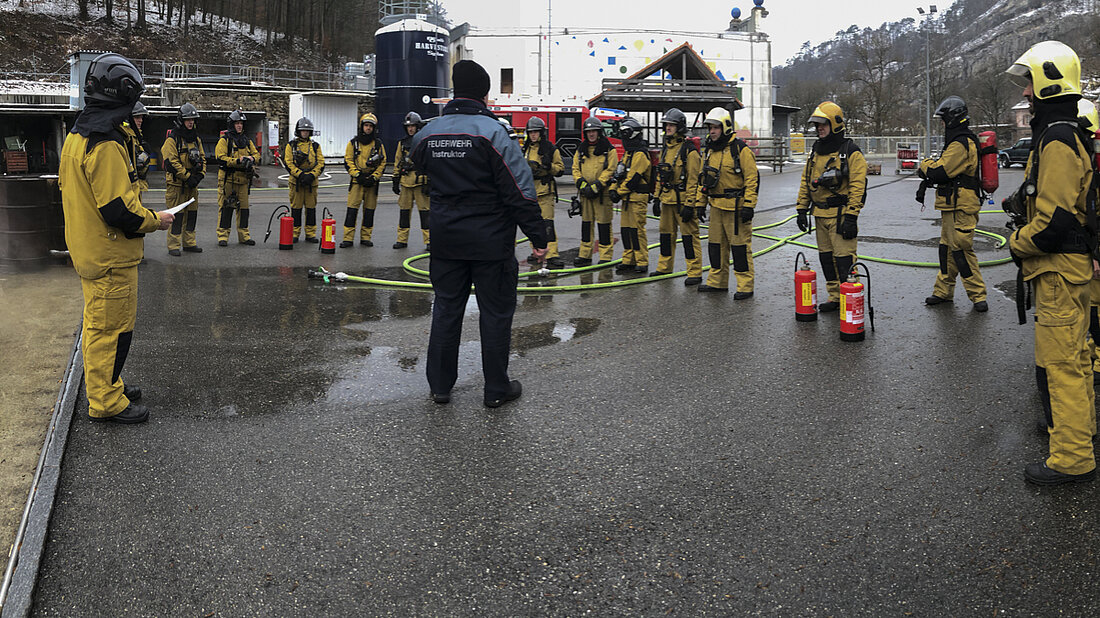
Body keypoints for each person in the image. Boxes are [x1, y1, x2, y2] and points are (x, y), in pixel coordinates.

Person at [410, 59, 548, 408]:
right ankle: (496, 389)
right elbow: (520, 190)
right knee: (496, 313)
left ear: (455, 91)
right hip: (490, 243)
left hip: (445, 240)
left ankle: (440, 387)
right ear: (485, 93)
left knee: (446, 310)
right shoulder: (495, 134)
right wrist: (538, 236)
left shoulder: (429, 132)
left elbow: (416, 160)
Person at [59, 53, 174, 424]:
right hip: (109, 254)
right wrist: (157, 220)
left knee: (101, 325)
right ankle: (105, 401)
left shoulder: (80, 133)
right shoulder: (105, 143)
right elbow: (118, 212)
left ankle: (108, 384)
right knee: (111, 329)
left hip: (91, 247)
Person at [1006, 40, 1097, 485]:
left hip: (1058, 271)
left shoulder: (1058, 138)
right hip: (1070, 269)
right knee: (1077, 361)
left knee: (1061, 367)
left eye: (1029, 82)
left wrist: (1017, 243)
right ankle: (1082, 435)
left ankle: (1072, 458)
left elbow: (1054, 224)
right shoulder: (1066, 133)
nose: (1025, 93)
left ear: (1047, 81)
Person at [794, 101, 867, 311]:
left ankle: (849, 298)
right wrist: (801, 209)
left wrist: (852, 217)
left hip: (841, 215)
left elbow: (857, 186)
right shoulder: (815, 152)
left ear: (835, 124)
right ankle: (835, 297)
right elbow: (806, 181)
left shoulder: (851, 152)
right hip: (820, 214)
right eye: (817, 125)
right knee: (826, 259)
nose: (819, 129)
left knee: (844, 260)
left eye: (823, 124)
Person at [919, 96, 988, 312]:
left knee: (961, 250)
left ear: (952, 118)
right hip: (952, 205)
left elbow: (940, 171)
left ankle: (978, 295)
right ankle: (943, 291)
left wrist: (924, 165)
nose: (941, 124)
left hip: (962, 206)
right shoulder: (956, 141)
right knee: (946, 250)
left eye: (943, 119)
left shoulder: (961, 143)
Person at [697, 107, 758, 298]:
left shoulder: (740, 150)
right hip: (716, 207)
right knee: (715, 247)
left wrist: (749, 205)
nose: (712, 131)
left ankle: (745, 286)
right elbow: (703, 179)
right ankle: (717, 282)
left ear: (725, 127)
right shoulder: (709, 152)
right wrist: (700, 203)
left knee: (739, 249)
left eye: (716, 127)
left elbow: (752, 179)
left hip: (736, 208)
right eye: (710, 128)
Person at [651, 108, 703, 285]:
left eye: (671, 125)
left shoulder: (689, 151)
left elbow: (694, 181)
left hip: (682, 201)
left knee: (689, 237)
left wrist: (690, 204)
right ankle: (664, 267)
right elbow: (660, 174)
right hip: (667, 200)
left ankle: (694, 272)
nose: (668, 128)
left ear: (679, 127)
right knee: (666, 236)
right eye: (666, 125)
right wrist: (657, 198)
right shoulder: (666, 149)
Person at [571, 115, 618, 266]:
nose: (591, 134)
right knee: (586, 226)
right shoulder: (581, 150)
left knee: (604, 226)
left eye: (594, 131)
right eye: (588, 131)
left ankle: (605, 256)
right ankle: (585, 255)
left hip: (602, 195)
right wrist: (583, 185)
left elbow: (611, 169)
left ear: (599, 132)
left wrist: (597, 185)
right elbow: (575, 168)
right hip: (586, 195)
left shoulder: (609, 150)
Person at [608, 116, 652, 274]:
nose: (624, 138)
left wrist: (618, 193)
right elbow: (619, 173)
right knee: (626, 230)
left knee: (637, 230)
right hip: (627, 198)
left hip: (637, 198)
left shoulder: (640, 155)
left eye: (626, 133)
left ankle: (641, 261)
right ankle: (628, 260)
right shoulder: (628, 154)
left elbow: (633, 178)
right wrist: (613, 188)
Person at [161, 102, 205, 256]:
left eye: (193, 119)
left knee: (192, 215)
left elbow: (203, 159)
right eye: (188, 119)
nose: (191, 122)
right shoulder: (172, 140)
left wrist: (199, 176)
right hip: (177, 185)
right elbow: (172, 163)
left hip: (192, 186)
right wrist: (187, 177)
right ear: (181, 120)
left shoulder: (196, 139)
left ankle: (189, 243)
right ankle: (173, 245)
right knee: (176, 216)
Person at [522, 116, 565, 269]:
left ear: (541, 132)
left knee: (547, 225)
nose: (533, 135)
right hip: (530, 192)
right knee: (533, 225)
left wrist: (547, 167)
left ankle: (552, 255)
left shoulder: (550, 148)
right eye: (531, 132)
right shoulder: (525, 149)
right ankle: (536, 252)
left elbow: (560, 169)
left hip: (545, 192)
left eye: (536, 132)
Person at [214, 110, 260, 246]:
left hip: (244, 181)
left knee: (244, 209)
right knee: (226, 208)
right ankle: (223, 236)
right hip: (228, 180)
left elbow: (257, 155)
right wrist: (238, 161)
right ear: (231, 124)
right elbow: (221, 158)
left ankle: (244, 236)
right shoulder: (224, 141)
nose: (239, 126)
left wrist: (251, 158)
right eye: (237, 123)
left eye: (241, 123)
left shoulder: (247, 141)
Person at [342, 113, 387, 247]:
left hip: (371, 184)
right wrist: (357, 175)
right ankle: (348, 238)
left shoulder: (378, 144)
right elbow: (348, 161)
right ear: (361, 127)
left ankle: (365, 237)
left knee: (369, 211)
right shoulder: (353, 143)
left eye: (370, 126)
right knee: (352, 210)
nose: (368, 128)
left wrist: (374, 177)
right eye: (366, 125)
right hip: (357, 183)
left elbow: (383, 163)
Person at [392, 111, 430, 250]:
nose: (410, 129)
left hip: (421, 182)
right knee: (404, 212)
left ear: (418, 126)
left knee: (425, 214)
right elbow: (398, 162)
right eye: (408, 126)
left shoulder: (424, 142)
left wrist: (429, 181)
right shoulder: (402, 144)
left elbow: (430, 162)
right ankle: (402, 240)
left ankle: (429, 240)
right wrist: (395, 179)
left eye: (413, 126)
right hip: (406, 182)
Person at [284, 117, 324, 242]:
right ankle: (295, 233)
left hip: (312, 183)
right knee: (296, 208)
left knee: (311, 208)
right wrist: (300, 175)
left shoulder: (316, 146)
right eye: (303, 130)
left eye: (307, 130)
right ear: (298, 131)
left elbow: (321, 163)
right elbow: (288, 163)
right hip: (296, 183)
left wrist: (311, 175)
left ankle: (310, 233)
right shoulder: (291, 145)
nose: (305, 133)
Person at [121, 101, 151, 203]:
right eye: (137, 117)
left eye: (141, 117)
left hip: (138, 181)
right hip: (128, 184)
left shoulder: (138, 136)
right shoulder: (125, 136)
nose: (140, 120)